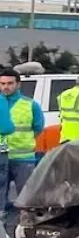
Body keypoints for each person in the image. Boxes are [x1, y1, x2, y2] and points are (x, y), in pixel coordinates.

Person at [0, 69, 44, 222]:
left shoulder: (30, 105)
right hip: (1, 157)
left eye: (10, 83)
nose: (6, 87)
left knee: (25, 200)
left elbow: (38, 128)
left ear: (18, 84)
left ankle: (27, 230)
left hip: (23, 158)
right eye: (2, 83)